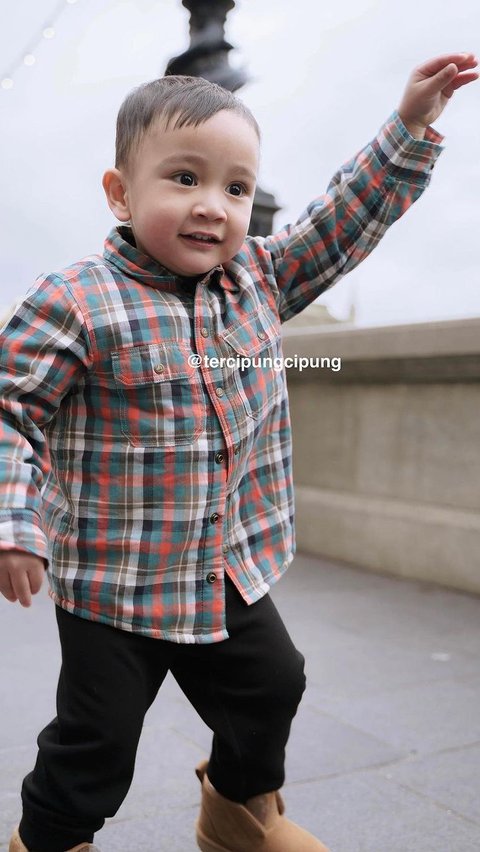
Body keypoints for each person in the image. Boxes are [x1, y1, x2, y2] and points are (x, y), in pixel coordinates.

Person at [1, 53, 477, 852]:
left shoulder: (257, 279)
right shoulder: (75, 301)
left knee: (273, 685)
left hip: (225, 568)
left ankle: (237, 813)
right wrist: (16, 522)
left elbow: (340, 221)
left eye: (236, 188)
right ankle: (48, 840)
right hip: (115, 586)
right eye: (183, 178)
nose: (212, 207)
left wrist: (410, 128)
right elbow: (10, 412)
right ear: (120, 192)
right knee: (97, 745)